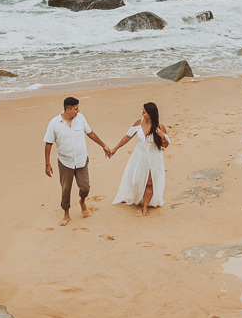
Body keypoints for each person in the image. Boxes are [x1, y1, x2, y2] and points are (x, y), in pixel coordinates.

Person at [44, 96, 111, 226]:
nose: (78, 111)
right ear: (68, 110)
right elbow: (48, 143)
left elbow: (90, 133)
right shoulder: (54, 123)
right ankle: (66, 214)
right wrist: (47, 164)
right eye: (76, 109)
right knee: (66, 190)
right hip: (65, 162)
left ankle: (82, 201)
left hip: (81, 160)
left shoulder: (80, 118)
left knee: (85, 187)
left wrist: (103, 145)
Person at [110, 101, 170, 216]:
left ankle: (145, 207)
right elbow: (127, 137)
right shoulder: (139, 123)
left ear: (151, 114)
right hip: (139, 156)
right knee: (136, 180)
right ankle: (138, 197)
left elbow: (165, 145)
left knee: (149, 183)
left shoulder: (160, 126)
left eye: (144, 112)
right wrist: (115, 148)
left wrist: (162, 136)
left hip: (153, 157)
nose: (142, 114)